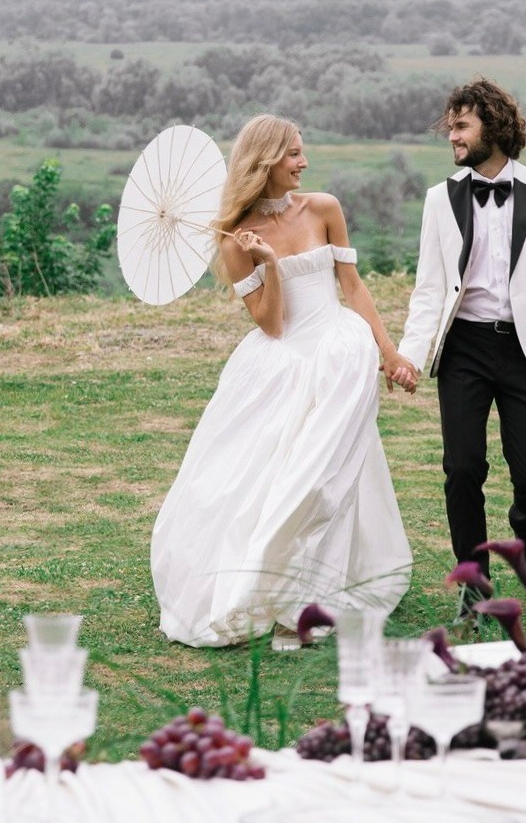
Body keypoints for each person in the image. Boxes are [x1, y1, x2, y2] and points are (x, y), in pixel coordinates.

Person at [152, 115, 415, 648]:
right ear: (265, 160)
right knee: (266, 473)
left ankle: (318, 585)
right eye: (293, 154)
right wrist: (268, 262)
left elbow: (353, 288)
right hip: (279, 362)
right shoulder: (235, 238)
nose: (304, 162)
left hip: (340, 352)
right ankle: (270, 581)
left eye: (303, 152)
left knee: (325, 469)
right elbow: (271, 323)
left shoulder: (323, 208)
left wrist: (389, 353)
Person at [393, 78, 526, 613]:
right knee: (462, 468)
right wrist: (410, 357)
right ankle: (474, 583)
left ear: (495, 126)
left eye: (461, 126)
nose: (452, 138)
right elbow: (430, 288)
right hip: (463, 346)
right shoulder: (440, 199)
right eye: (450, 128)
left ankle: (524, 528)